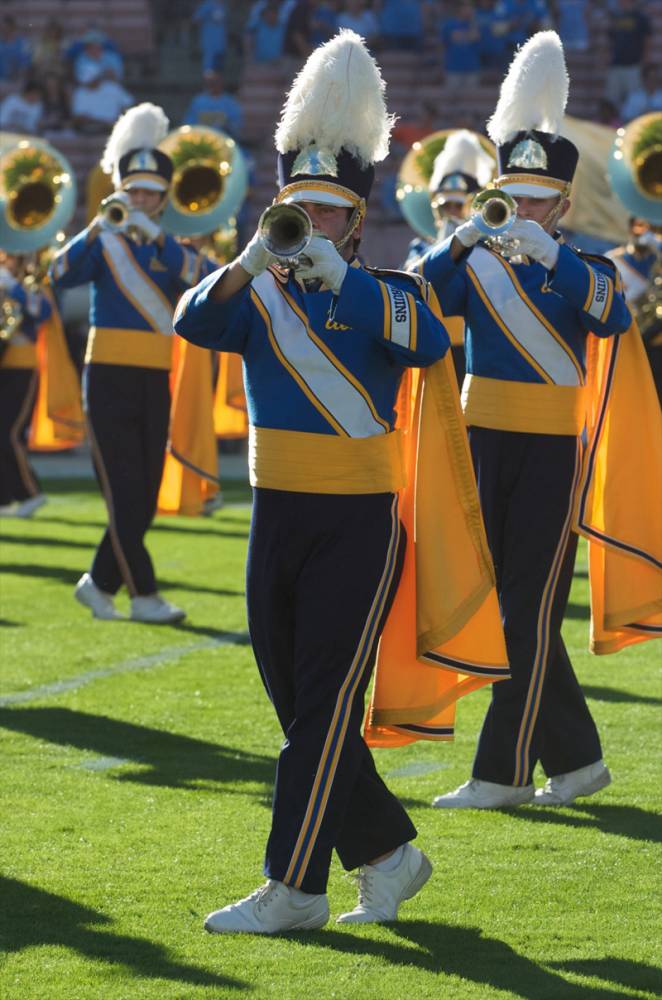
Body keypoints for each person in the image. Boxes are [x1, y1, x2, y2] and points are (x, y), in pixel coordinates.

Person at [174, 30, 448, 934]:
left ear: (358, 219)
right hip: (275, 516)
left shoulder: (391, 291)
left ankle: (294, 888)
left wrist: (348, 284)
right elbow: (190, 323)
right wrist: (253, 257)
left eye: (328, 211)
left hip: (359, 523)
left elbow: (431, 340)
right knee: (303, 710)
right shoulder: (254, 295)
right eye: (298, 207)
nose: (312, 223)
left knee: (323, 706)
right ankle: (389, 856)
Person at [417, 32, 633, 810]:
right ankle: (575, 762)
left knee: (527, 608)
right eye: (513, 192)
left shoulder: (585, 267)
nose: (525, 206)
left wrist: (553, 254)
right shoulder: (473, 260)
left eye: (539, 197)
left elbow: (610, 317)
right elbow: (417, 299)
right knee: (509, 605)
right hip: (480, 444)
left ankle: (501, 772)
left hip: (549, 450)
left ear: (564, 205)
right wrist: (466, 233)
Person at [50, 103, 214, 624]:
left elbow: (207, 280)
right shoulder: (106, 241)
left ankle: (98, 584)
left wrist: (160, 237)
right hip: (108, 377)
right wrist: (97, 227)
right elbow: (59, 273)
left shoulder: (169, 247)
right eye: (133, 191)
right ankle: (143, 595)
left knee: (142, 493)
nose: (140, 201)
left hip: (154, 376)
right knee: (125, 490)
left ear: (163, 199)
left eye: (149, 194)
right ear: (121, 191)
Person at [404, 129, 496, 383]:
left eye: (457, 205)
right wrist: (444, 248)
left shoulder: (480, 248)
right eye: (445, 206)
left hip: (469, 342)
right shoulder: (420, 246)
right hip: (432, 339)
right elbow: (411, 279)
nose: (450, 212)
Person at [0, 253, 50, 518]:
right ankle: (4, 498)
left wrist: (12, 288)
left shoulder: (30, 281)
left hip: (22, 366)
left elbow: (42, 311)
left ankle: (31, 492)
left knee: (9, 434)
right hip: (3, 363)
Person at [606, 216, 662, 404]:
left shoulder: (658, 260)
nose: (645, 232)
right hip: (623, 345)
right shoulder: (612, 260)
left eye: (652, 228)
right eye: (640, 226)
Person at [182, 70, 243, 138]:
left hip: (223, 139)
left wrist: (225, 123)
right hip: (201, 139)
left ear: (221, 82)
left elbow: (237, 125)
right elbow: (189, 123)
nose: (212, 85)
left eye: (215, 82)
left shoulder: (230, 102)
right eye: (209, 82)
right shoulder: (198, 101)